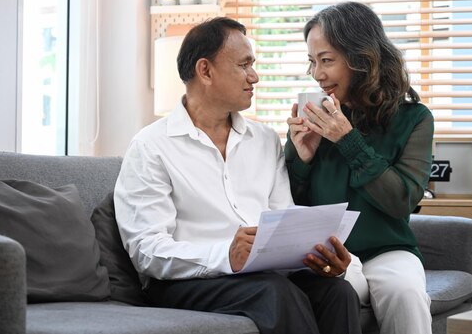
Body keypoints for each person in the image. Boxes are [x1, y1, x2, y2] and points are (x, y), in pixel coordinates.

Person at [114, 17, 362, 334]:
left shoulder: (265, 139)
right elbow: (146, 250)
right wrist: (226, 255)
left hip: (262, 277)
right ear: (205, 71)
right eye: (244, 65)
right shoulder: (151, 147)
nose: (254, 76)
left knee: (337, 292)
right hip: (186, 283)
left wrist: (320, 253)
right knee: (274, 292)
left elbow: (281, 215)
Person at [286, 1, 433, 334]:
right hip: (326, 254)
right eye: (312, 61)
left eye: (327, 60)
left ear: (361, 58)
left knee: (406, 295)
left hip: (388, 251)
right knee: (338, 295)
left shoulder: (414, 119)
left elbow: (402, 200)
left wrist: (348, 140)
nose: (317, 74)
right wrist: (301, 159)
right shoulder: (312, 116)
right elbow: (287, 203)